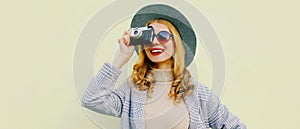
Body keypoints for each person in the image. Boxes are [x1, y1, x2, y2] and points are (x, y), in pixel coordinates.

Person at [81, 4, 246, 129]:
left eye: (163, 35)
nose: (154, 41)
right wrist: (122, 57)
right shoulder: (131, 90)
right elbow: (92, 100)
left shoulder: (198, 93)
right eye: (149, 35)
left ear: (177, 43)